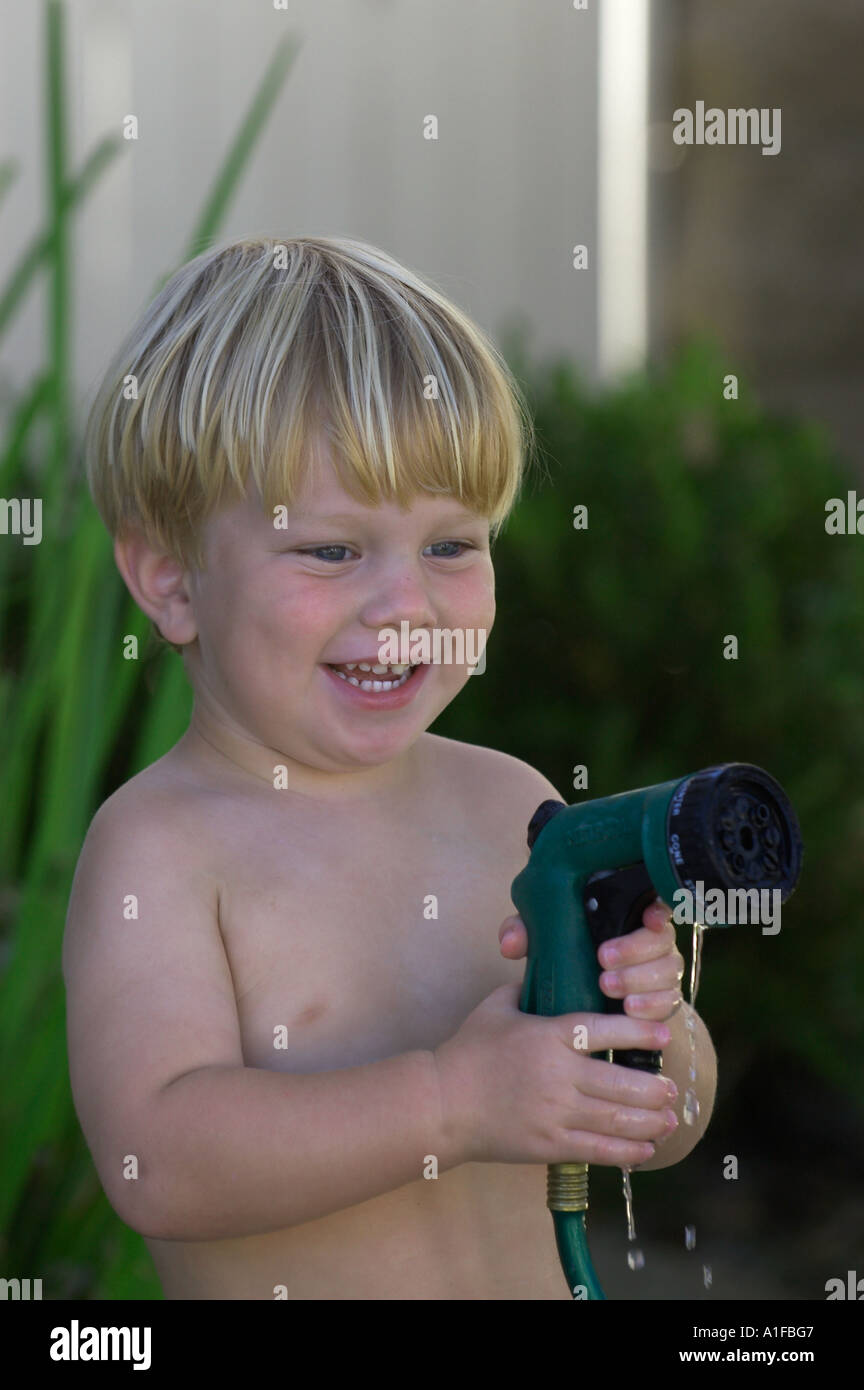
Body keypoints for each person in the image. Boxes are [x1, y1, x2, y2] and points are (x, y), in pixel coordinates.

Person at [63, 235, 717, 1300]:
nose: (405, 606)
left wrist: (657, 1031)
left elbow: (670, 1129)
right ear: (173, 581)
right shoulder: (164, 850)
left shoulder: (515, 804)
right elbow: (158, 1162)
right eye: (330, 549)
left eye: (452, 546)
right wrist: (451, 1104)